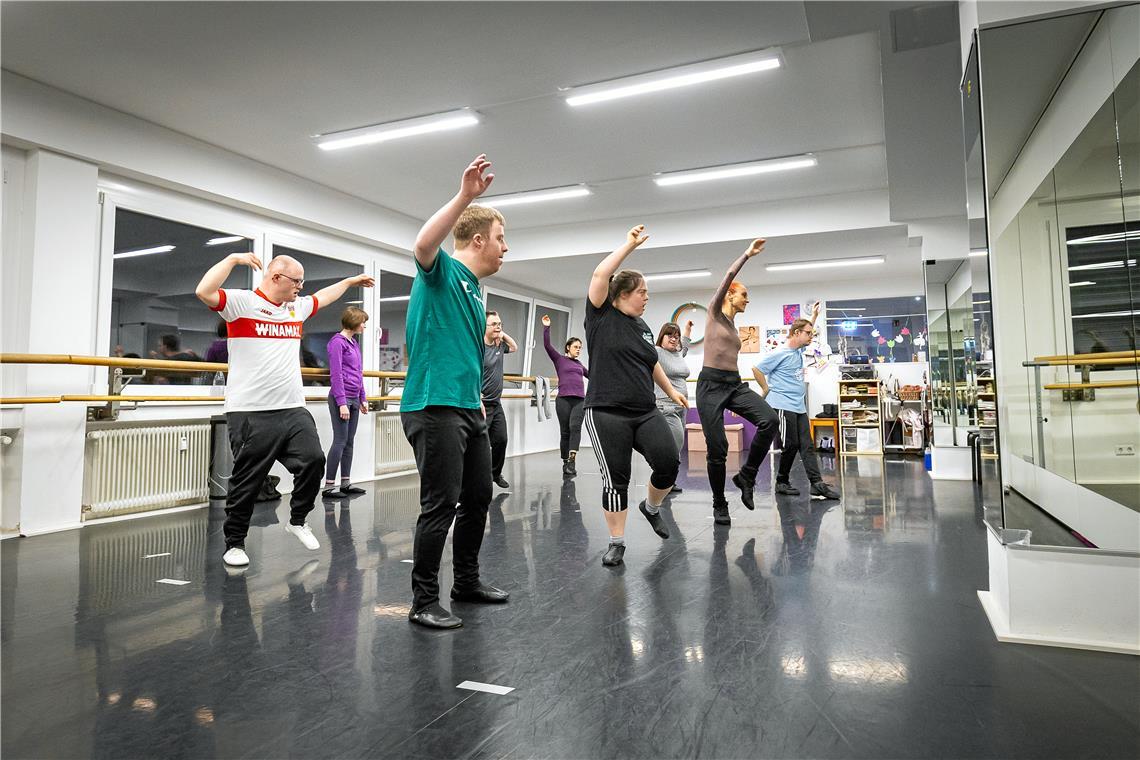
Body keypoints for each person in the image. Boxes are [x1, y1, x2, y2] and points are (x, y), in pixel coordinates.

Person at [194, 252, 373, 569]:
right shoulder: (242, 303)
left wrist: (348, 281)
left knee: (314, 461)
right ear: (276, 277)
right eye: (296, 281)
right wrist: (233, 259)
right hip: (250, 410)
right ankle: (234, 543)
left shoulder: (295, 308)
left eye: (302, 282)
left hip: (292, 407)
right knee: (248, 481)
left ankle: (298, 519)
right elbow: (204, 291)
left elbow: (322, 298)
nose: (301, 288)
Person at [401, 154, 510, 630]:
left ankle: (466, 581)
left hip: (469, 408)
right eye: (501, 239)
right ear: (480, 239)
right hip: (434, 404)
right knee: (440, 504)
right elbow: (423, 243)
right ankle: (424, 600)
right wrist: (465, 197)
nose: (506, 249)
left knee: (479, 496)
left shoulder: (473, 290)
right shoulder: (442, 271)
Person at [583, 224, 688, 567]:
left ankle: (652, 507)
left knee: (668, 463)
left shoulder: (643, 328)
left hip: (644, 410)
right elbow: (601, 273)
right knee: (617, 479)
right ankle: (616, 542)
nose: (646, 297)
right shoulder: (601, 316)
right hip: (606, 412)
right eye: (642, 291)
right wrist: (628, 246)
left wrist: (671, 391)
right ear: (622, 293)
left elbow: (651, 362)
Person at [696, 239, 779, 525]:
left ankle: (747, 475)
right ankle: (719, 503)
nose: (747, 299)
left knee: (769, 420)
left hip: (733, 384)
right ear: (730, 296)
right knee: (717, 447)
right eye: (744, 295)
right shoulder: (714, 313)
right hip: (709, 385)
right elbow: (727, 278)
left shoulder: (732, 326)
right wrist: (747, 255)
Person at [753, 303, 840, 500]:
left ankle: (816, 484)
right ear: (796, 333)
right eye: (809, 334)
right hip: (782, 405)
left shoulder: (798, 351)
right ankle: (781, 482)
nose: (811, 337)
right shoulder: (779, 353)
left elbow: (808, 330)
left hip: (798, 406)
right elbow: (757, 369)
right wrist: (765, 389)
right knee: (791, 444)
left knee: (807, 445)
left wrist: (815, 315)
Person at [322, 306, 370, 499]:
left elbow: (358, 373)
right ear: (354, 322)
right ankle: (328, 487)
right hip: (339, 398)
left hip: (354, 397)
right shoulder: (337, 343)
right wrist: (342, 403)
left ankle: (345, 483)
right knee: (340, 441)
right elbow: (336, 374)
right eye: (362, 322)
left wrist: (363, 398)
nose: (364, 325)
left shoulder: (353, 343)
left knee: (349, 442)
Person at [542, 314, 588, 478]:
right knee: (565, 431)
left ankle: (572, 461)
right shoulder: (559, 360)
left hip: (579, 400)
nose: (578, 349)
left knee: (575, 428)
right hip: (563, 400)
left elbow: (593, 376)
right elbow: (547, 346)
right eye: (576, 346)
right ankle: (565, 461)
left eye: (580, 347)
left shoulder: (580, 365)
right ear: (568, 347)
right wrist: (547, 327)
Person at [654, 320, 693, 493]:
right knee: (674, 446)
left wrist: (687, 331)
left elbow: (684, 347)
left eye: (676, 337)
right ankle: (662, 481)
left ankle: (668, 481)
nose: (674, 339)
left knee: (676, 447)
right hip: (665, 407)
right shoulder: (656, 353)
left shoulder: (678, 354)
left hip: (681, 407)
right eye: (670, 335)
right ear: (662, 336)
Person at [481, 310, 518, 490]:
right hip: (481, 405)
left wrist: (501, 334)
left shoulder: (499, 345)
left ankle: (495, 474)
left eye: (500, 324)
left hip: (496, 404)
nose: (498, 327)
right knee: (479, 447)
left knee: (501, 440)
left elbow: (515, 347)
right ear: (484, 326)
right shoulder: (479, 347)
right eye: (494, 324)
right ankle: (474, 482)